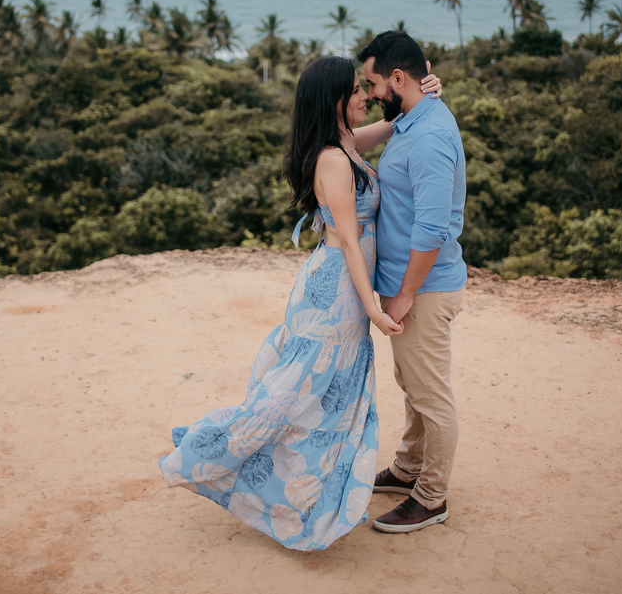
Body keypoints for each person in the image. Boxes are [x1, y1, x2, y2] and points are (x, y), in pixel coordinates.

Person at [159, 55, 441, 550]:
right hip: (333, 294)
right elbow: (350, 241)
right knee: (298, 392)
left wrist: (423, 93)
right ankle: (211, 452)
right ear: (332, 98)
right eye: (355, 90)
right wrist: (373, 308)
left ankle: (309, 492)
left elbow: (391, 124)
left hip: (344, 293)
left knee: (324, 394)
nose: (364, 96)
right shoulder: (332, 159)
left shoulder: (345, 145)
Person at [359, 31, 467, 534]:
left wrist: (404, 295)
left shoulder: (427, 136)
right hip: (410, 284)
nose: (372, 92)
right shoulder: (410, 119)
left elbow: (432, 227)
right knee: (412, 384)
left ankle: (431, 497)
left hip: (422, 288)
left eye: (375, 83)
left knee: (431, 394)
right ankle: (407, 469)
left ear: (399, 77)